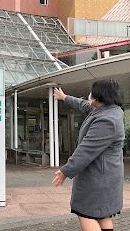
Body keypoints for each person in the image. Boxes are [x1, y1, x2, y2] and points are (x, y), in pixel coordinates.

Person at [52, 79, 124, 231]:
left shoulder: (107, 120)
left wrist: (66, 171)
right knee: (102, 214)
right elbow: (84, 105)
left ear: (100, 97)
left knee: (85, 213)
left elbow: (86, 150)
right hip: (105, 176)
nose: (89, 96)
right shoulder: (106, 109)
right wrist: (65, 97)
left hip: (99, 178)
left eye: (92, 93)